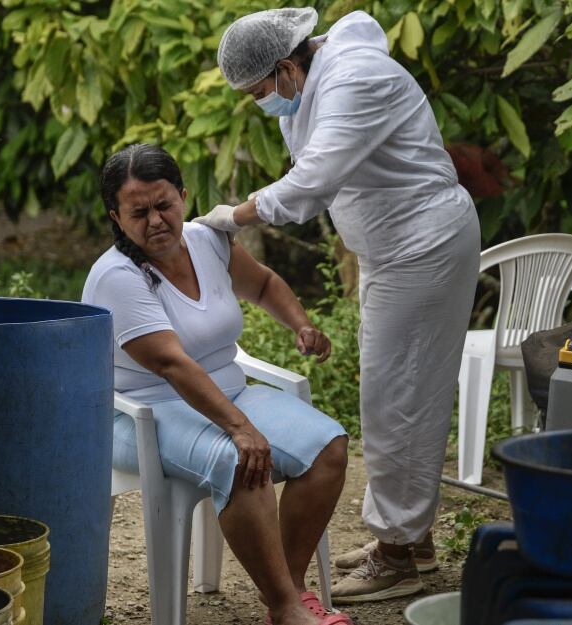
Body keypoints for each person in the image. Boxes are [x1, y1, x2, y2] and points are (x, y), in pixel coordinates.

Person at [198, 8, 481, 604]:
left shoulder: (354, 79)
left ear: (285, 66)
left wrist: (232, 216)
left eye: (258, 91)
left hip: (422, 248)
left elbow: (311, 183)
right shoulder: (311, 82)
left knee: (399, 398)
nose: (260, 103)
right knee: (398, 394)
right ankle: (411, 539)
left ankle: (397, 556)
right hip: (394, 250)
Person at [82, 143, 351, 625]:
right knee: (238, 461)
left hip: (229, 392)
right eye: (138, 213)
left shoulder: (207, 241)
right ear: (116, 217)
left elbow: (263, 284)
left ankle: (287, 590)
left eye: (164, 205)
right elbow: (172, 365)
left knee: (328, 447)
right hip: (143, 412)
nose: (156, 220)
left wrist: (301, 323)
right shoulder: (116, 277)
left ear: (184, 197)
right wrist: (240, 428)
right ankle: (287, 608)